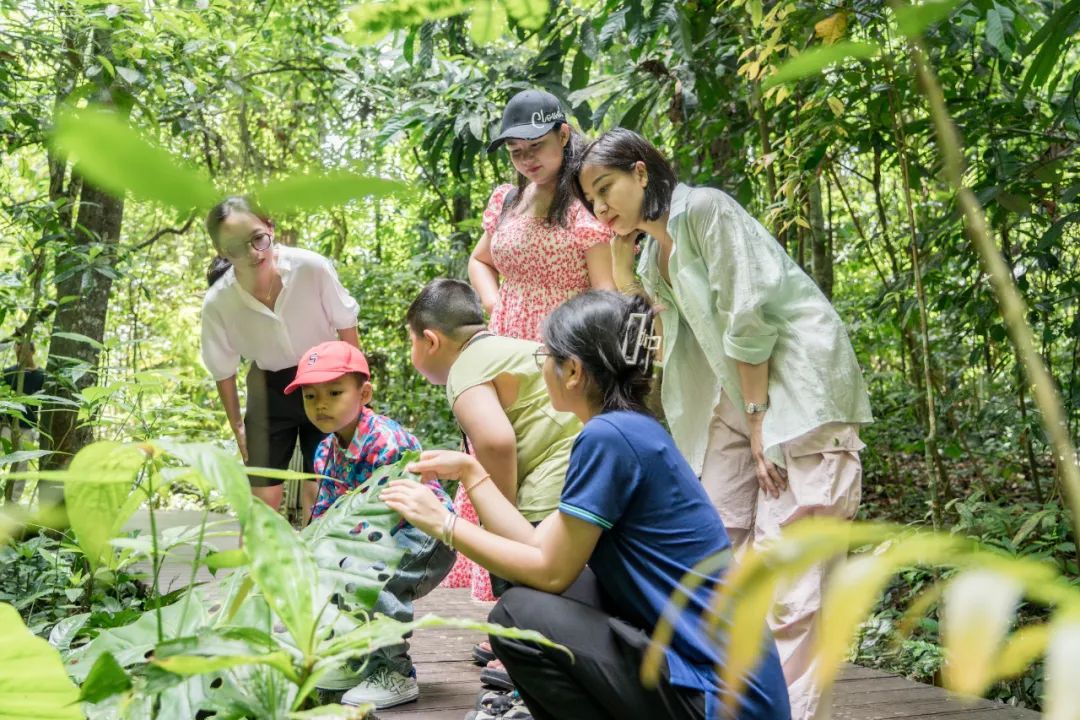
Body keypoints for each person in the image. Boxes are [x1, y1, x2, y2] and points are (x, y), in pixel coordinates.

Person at [571, 128, 873, 720]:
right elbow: (647, 331)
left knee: (796, 585)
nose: (602, 207)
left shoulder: (705, 209)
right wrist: (619, 251)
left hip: (796, 398)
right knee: (719, 565)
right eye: (591, 200)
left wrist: (760, 420)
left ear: (641, 172)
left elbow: (748, 314)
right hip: (725, 410)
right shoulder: (654, 250)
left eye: (606, 188)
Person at [382, 291, 790, 720]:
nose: (541, 364)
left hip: (717, 696)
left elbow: (551, 572)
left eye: (546, 353)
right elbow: (540, 545)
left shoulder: (607, 438)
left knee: (518, 616)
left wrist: (445, 524)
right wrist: (471, 473)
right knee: (539, 596)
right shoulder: (628, 430)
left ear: (572, 370)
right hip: (731, 688)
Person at [407, 278, 582, 657]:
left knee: (520, 560)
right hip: (586, 461)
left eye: (411, 341)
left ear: (431, 340)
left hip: (552, 475)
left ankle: (525, 646)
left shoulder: (465, 370)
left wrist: (499, 509)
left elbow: (495, 442)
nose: (412, 351)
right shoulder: (510, 348)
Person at [283, 340, 456, 710]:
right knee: (324, 569)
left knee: (371, 578)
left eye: (333, 392)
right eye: (310, 397)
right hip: (371, 538)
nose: (321, 404)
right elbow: (328, 512)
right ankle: (356, 658)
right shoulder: (325, 449)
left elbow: (398, 510)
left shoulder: (385, 442)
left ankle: (395, 672)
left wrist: (345, 556)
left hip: (421, 534)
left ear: (364, 393)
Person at [200, 196, 361, 515]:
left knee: (323, 490)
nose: (252, 254)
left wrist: (357, 396)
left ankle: (319, 564)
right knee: (262, 500)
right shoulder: (218, 302)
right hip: (268, 389)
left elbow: (346, 326)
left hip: (327, 379)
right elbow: (223, 370)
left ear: (270, 227)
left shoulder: (311, 268)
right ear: (222, 252)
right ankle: (258, 565)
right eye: (236, 247)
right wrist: (238, 428)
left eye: (258, 239)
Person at [1, 340, 46, 502]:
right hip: (7, 426)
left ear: (32, 352)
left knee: (20, 466)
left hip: (27, 427)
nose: (20, 356)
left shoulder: (42, 376)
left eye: (24, 352)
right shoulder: (8, 373)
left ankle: (12, 502)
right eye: (17, 352)